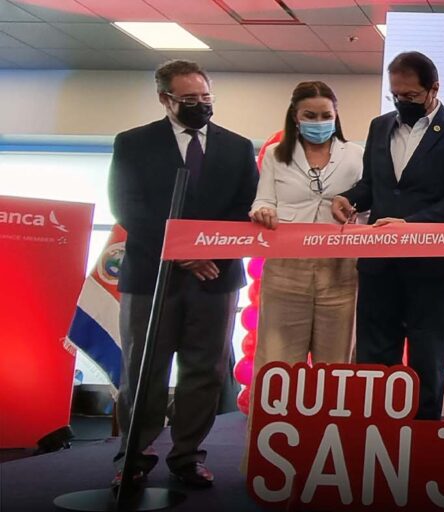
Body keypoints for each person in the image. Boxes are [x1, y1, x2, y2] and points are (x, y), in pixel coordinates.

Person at [108, 59, 258, 488]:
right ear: (165, 98)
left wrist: (207, 251)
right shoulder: (133, 143)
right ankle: (134, 457)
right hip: (151, 276)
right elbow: (128, 205)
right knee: (143, 369)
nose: (201, 105)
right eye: (189, 98)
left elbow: (245, 206)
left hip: (215, 276)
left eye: (206, 97)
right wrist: (182, 253)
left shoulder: (237, 146)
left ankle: (188, 455)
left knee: (205, 371)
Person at [331, 52, 444, 420]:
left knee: (427, 362)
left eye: (411, 95)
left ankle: (421, 441)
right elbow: (373, 186)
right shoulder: (380, 126)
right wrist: (348, 199)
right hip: (379, 266)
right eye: (396, 95)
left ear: (434, 89)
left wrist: (409, 225)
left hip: (434, 270)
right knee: (373, 360)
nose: (402, 101)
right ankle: (373, 437)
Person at [249, 81, 362, 370]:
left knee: (335, 364)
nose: (319, 122)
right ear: (295, 116)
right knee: (277, 362)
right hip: (285, 269)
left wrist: (355, 211)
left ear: (336, 116)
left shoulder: (356, 154)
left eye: (326, 115)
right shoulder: (275, 154)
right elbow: (263, 200)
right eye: (310, 116)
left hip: (340, 270)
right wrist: (262, 211)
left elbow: (366, 205)